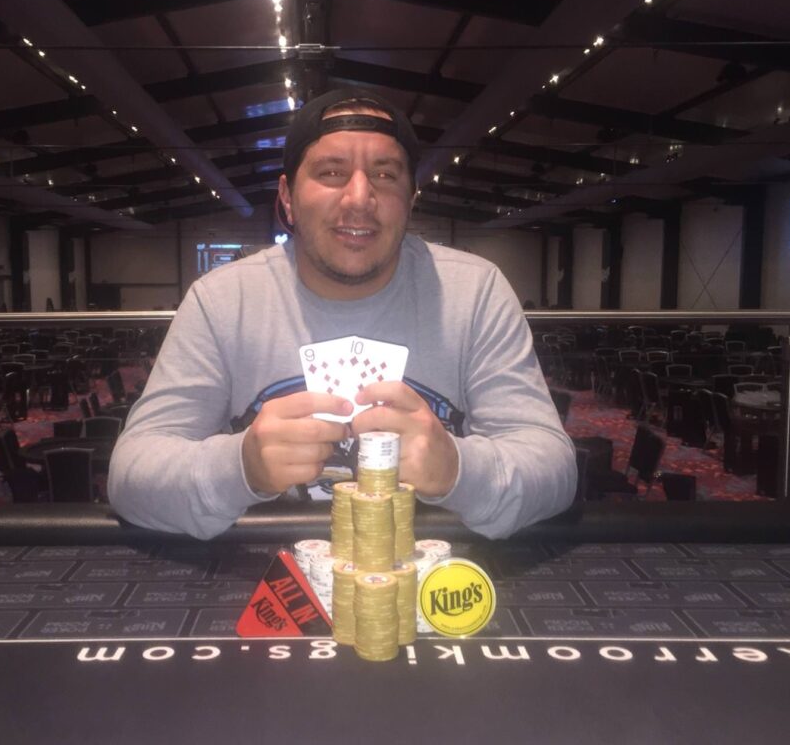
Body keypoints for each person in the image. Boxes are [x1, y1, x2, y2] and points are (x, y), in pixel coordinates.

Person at [108, 88, 575, 539]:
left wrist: (457, 469)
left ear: (411, 198)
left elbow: (553, 467)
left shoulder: (475, 291)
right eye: (331, 172)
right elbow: (131, 475)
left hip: (430, 572)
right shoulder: (222, 300)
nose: (359, 198)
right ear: (287, 197)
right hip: (263, 570)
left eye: (385, 175)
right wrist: (240, 466)